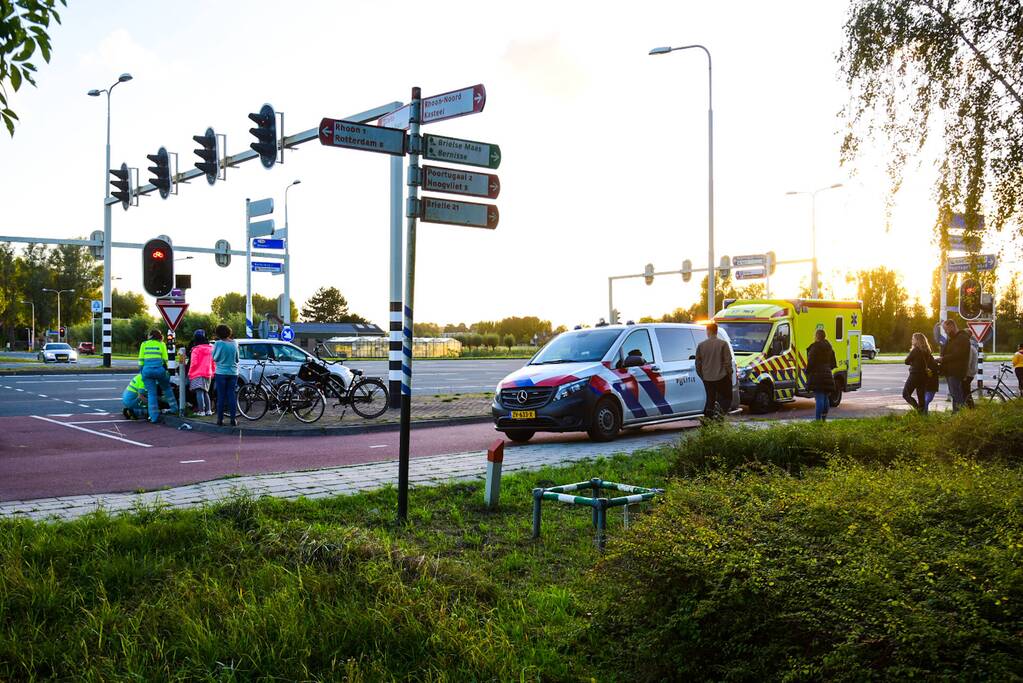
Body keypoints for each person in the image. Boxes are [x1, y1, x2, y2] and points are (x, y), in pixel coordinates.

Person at [695, 322, 734, 419]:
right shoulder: (723, 344)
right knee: (727, 398)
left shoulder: (701, 345)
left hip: (707, 378)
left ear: (708, 331)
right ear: (716, 331)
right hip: (722, 377)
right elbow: (728, 362)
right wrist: (729, 374)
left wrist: (702, 376)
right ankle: (720, 417)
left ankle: (708, 421)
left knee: (710, 400)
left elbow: (697, 363)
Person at [138, 329, 178, 423]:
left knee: (151, 394)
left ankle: (153, 417)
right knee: (167, 389)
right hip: (159, 370)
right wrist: (166, 371)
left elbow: (140, 360)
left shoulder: (144, 344)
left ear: (151, 335)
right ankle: (174, 408)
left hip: (147, 370)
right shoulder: (162, 344)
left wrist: (142, 372)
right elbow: (165, 359)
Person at [939, 319, 971, 412]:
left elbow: (957, 354)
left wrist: (943, 359)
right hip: (951, 371)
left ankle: (960, 415)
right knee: (954, 394)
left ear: (952, 326)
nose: (946, 332)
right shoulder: (954, 338)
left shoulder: (961, 338)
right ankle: (956, 414)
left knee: (956, 394)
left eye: (946, 329)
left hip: (956, 371)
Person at [805, 328, 837, 421]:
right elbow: (833, 363)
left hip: (817, 375)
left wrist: (807, 371)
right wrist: (827, 368)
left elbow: (811, 361)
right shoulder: (829, 347)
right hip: (827, 373)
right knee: (825, 397)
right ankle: (824, 419)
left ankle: (817, 420)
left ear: (817, 336)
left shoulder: (815, 347)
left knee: (819, 397)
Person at [212, 324, 239, 427]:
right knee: (231, 396)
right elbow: (237, 359)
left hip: (221, 373)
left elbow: (215, 358)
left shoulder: (218, 343)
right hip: (233, 373)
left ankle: (220, 420)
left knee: (221, 396)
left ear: (218, 334)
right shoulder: (235, 343)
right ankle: (233, 420)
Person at [903, 333, 937, 414]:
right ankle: (922, 414)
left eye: (913, 339)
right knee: (921, 396)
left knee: (906, 394)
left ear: (917, 340)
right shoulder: (927, 351)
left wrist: (913, 362)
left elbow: (906, 361)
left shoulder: (916, 350)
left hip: (915, 375)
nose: (912, 340)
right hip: (924, 376)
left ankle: (918, 409)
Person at [188, 330, 216, 416]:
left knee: (199, 392)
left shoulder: (196, 350)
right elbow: (213, 362)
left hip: (197, 373)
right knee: (205, 392)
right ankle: (208, 410)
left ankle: (201, 411)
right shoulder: (211, 348)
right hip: (208, 373)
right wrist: (213, 372)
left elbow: (194, 363)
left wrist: (190, 373)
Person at [963, 338, 979, 408]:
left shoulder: (969, 348)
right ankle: (970, 407)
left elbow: (968, 362)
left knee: (965, 391)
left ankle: (970, 407)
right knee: (966, 390)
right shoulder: (973, 347)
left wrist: (965, 374)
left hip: (968, 373)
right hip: (971, 372)